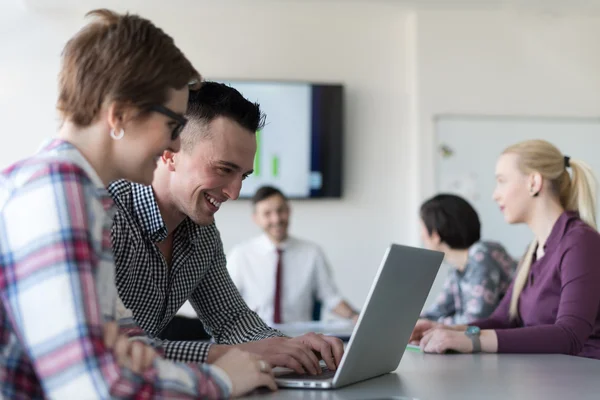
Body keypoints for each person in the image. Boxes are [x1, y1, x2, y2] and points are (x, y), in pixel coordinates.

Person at [0, 9, 277, 399]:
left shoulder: (86, 196)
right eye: (173, 126)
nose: (176, 146)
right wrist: (222, 379)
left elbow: (135, 349)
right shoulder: (58, 188)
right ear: (120, 113)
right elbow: (95, 386)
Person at [109, 82, 345, 376]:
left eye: (243, 175)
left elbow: (231, 320)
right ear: (169, 152)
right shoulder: (104, 215)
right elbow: (110, 348)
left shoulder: (202, 232)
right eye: (223, 169)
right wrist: (227, 354)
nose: (234, 193)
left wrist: (295, 347)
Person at [410, 139, 600, 359]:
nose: (495, 195)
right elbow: (503, 320)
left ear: (534, 182)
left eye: (501, 181)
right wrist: (447, 330)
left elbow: (569, 335)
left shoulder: (581, 242)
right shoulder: (534, 250)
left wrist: (470, 341)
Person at [227, 186, 359, 325]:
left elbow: (331, 298)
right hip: (256, 339)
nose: (276, 219)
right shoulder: (240, 255)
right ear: (256, 219)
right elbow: (226, 303)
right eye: (267, 213)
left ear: (289, 211)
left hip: (299, 338)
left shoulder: (312, 253)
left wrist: (354, 316)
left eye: (280, 211)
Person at [419, 194, 517, 325]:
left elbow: (476, 320)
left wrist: (432, 326)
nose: (421, 236)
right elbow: (436, 312)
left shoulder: (482, 255)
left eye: (422, 228)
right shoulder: (458, 268)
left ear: (435, 234)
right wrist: (409, 323)